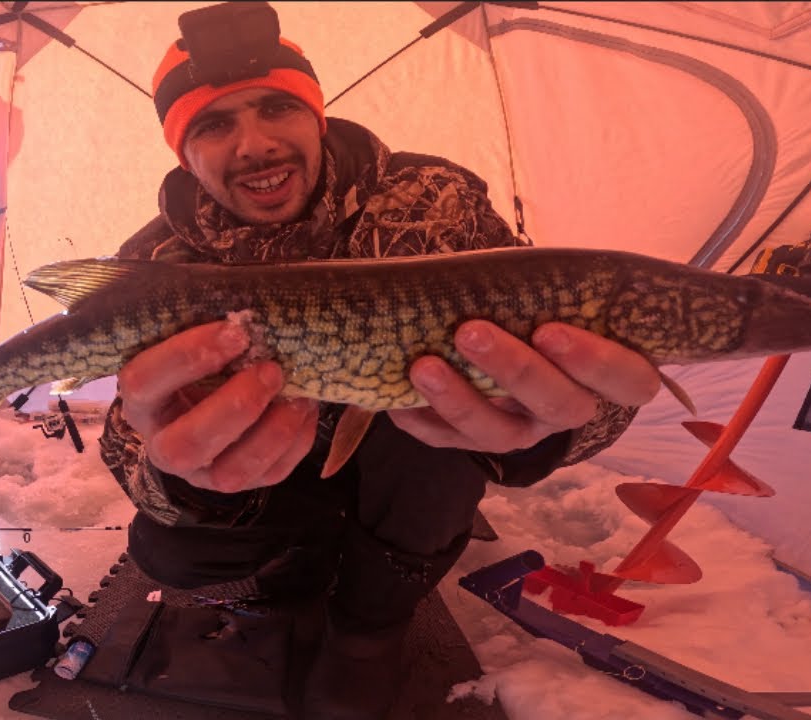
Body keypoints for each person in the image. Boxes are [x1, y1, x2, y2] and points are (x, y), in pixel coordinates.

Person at [97, 4, 660, 718]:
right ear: (184, 152)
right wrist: (182, 475)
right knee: (171, 547)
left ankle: (369, 628)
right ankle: (296, 569)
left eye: (277, 108)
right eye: (214, 125)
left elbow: (554, 342)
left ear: (317, 115)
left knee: (424, 421)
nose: (255, 144)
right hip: (279, 473)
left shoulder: (440, 202)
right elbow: (127, 434)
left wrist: (546, 424)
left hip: (406, 460)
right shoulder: (153, 266)